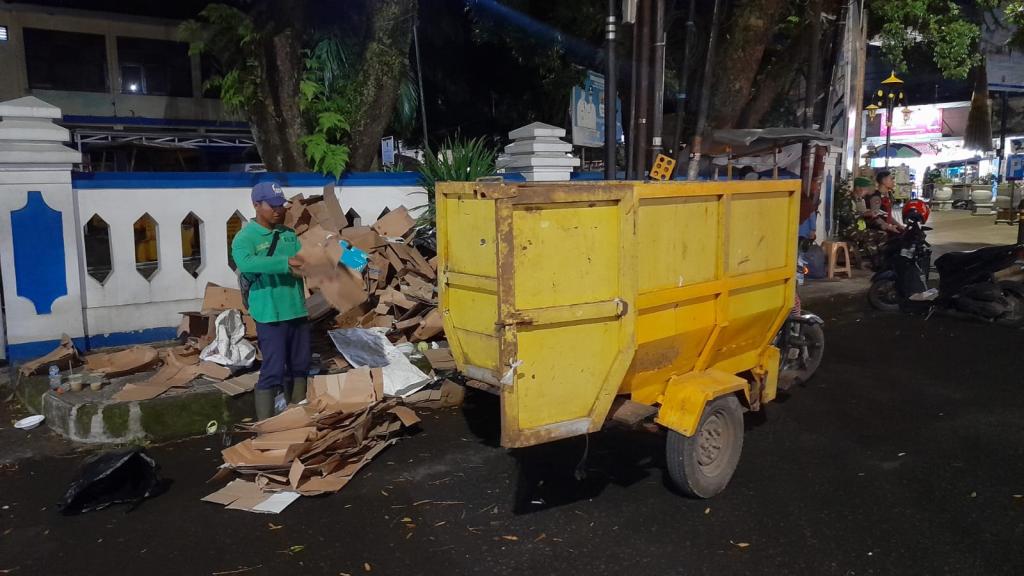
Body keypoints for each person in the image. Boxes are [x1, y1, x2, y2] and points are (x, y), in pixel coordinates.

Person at [231, 181, 309, 420]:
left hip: (296, 310)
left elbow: (305, 260)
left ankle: (299, 415)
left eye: (281, 205)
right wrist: (284, 264)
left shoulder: (288, 234)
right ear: (256, 205)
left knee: (300, 366)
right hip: (269, 313)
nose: (278, 210)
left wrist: (344, 258)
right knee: (273, 370)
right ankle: (267, 427)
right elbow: (246, 263)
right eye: (272, 205)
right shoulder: (245, 237)